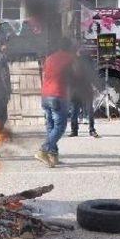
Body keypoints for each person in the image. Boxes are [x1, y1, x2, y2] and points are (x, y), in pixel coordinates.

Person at [35, 37, 74, 167]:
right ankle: (43, 149)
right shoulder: (70, 58)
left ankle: (53, 156)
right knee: (60, 126)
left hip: (45, 95)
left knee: (51, 126)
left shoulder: (50, 58)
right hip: (58, 95)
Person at [68, 47, 99, 138]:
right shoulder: (84, 62)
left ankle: (76, 130)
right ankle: (90, 130)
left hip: (79, 89)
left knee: (77, 111)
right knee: (86, 110)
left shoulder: (74, 62)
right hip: (82, 89)